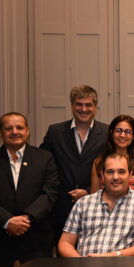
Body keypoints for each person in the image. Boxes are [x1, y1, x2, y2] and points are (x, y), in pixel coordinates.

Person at [0, 113, 59, 267]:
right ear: (0, 132)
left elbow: (50, 192)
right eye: (8, 128)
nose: (15, 132)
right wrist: (8, 221)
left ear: (27, 131)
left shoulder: (44, 158)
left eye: (19, 127)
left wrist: (26, 219)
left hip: (36, 240)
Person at [40, 84, 109, 246]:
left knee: (93, 251)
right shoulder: (55, 132)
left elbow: (110, 168)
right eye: (79, 104)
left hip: (96, 205)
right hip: (61, 206)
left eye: (88, 105)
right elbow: (44, 164)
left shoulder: (107, 132)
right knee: (63, 253)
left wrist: (89, 191)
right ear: (72, 105)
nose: (83, 109)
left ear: (95, 107)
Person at [58, 153, 134, 257]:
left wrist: (115, 255)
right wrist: (79, 261)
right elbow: (65, 242)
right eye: (110, 172)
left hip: (124, 265)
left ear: (130, 175)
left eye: (121, 172)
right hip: (86, 265)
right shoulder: (83, 203)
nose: (115, 177)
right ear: (102, 175)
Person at [89, 115, 134, 201]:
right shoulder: (99, 161)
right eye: (118, 130)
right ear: (112, 133)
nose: (122, 135)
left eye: (128, 131)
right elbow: (94, 194)